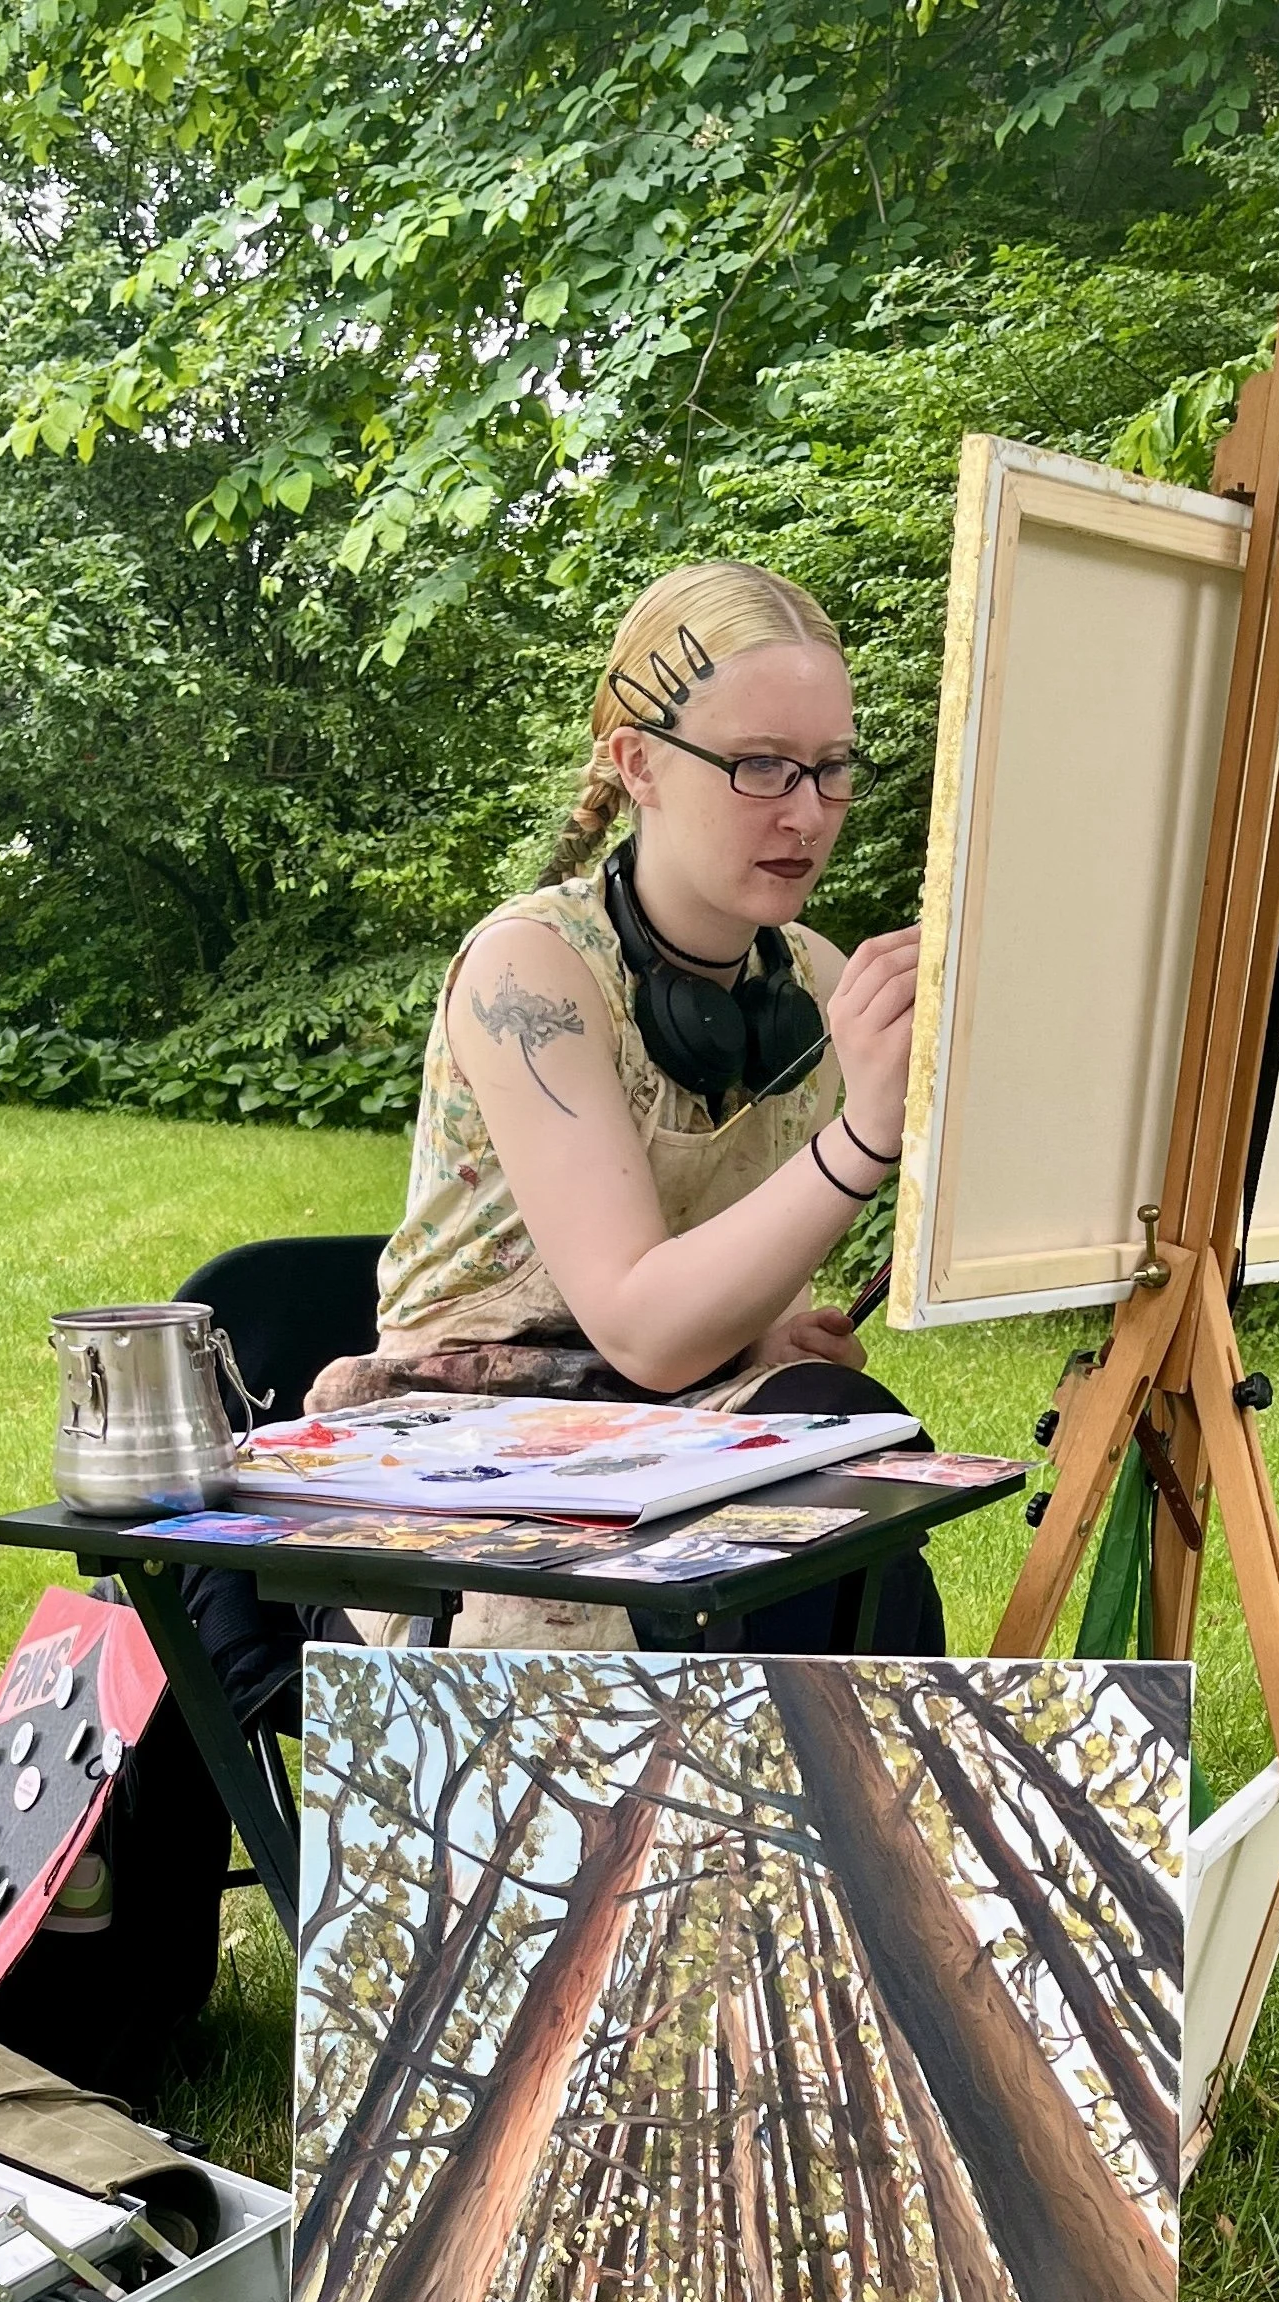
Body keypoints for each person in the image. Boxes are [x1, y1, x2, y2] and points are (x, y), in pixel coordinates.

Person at [312, 558, 943, 1652]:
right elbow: (645, 1331)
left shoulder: (815, 981)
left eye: (831, 768)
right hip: (454, 1470)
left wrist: (763, 1332)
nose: (807, 814)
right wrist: (863, 1139)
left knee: (851, 1472)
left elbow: (698, 1321)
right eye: (760, 765)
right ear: (637, 763)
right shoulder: (531, 975)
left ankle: (848, 1760)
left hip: (670, 1439)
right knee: (817, 1503)